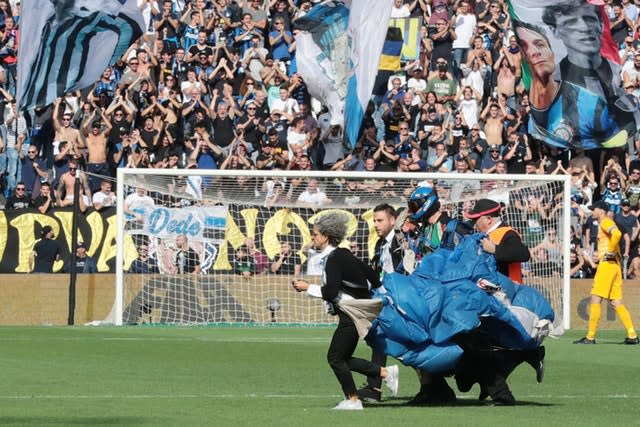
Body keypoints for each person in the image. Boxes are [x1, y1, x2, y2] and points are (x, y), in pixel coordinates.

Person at [291, 212, 399, 410]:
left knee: (335, 357)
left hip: (351, 315)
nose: (312, 238)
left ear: (326, 236)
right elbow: (369, 273)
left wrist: (307, 288)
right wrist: (382, 292)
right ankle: (385, 373)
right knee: (343, 358)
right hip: (350, 314)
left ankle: (353, 399)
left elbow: (330, 292)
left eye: (315, 234)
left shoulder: (334, 258)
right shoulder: (341, 254)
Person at [513, 20, 619, 151]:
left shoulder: (590, 104)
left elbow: (611, 137)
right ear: (522, 58)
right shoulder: (524, 106)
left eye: (539, 45)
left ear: (552, 53)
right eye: (525, 47)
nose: (534, 52)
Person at [357, 203, 412, 403]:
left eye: (380, 220)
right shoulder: (380, 244)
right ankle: (374, 387)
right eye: (374, 221)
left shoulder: (400, 241)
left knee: (411, 342)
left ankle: (433, 385)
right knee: (378, 338)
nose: (376, 225)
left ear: (392, 220)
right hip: (386, 298)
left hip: (401, 297)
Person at [574, 200, 639, 345]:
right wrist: (607, 252)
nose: (592, 211)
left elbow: (616, 234)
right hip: (614, 265)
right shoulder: (606, 222)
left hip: (607, 266)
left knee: (595, 299)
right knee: (616, 302)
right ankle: (632, 335)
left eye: (594, 209)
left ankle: (590, 337)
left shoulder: (605, 222)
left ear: (601, 211)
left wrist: (608, 252)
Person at [464, 198, 530, 283]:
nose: (474, 223)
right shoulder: (487, 234)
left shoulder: (507, 233)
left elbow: (524, 254)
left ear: (488, 219)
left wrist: (494, 249)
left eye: (476, 219)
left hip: (508, 292)